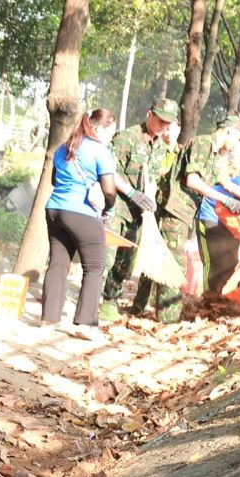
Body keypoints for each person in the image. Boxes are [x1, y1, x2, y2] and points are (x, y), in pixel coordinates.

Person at [136, 115, 240, 322]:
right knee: (175, 263)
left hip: (185, 212)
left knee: (160, 255)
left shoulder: (217, 155)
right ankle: (167, 318)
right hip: (175, 209)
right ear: (229, 131)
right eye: (237, 138)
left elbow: (226, 183)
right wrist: (226, 201)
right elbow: (192, 180)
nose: (236, 145)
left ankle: (139, 306)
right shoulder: (203, 143)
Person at [41, 108, 118, 343]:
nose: (110, 138)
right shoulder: (100, 151)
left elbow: (55, 179)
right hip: (81, 212)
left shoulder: (64, 147)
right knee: (94, 267)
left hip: (54, 209)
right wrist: (109, 208)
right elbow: (109, 189)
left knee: (58, 263)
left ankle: (48, 319)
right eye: (111, 133)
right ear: (99, 128)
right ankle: (85, 324)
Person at [98, 98, 178, 321]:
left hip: (138, 214)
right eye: (161, 120)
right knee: (106, 257)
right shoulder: (127, 137)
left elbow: (152, 178)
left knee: (126, 262)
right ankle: (89, 301)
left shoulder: (160, 147)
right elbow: (108, 171)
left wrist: (149, 199)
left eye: (168, 123)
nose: (164, 126)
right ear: (149, 115)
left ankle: (110, 301)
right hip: (117, 207)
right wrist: (131, 192)